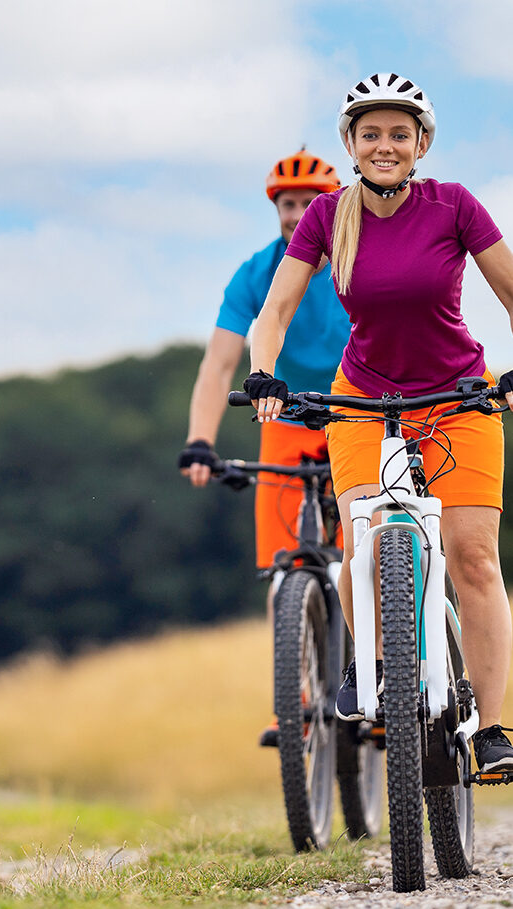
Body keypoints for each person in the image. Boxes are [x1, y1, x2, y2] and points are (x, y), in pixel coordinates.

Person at [244, 72, 513, 772]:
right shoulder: (326, 216)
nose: (384, 145)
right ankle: (370, 670)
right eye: (370, 134)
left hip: (459, 399)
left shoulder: (453, 206)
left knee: (473, 559)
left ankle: (490, 726)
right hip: (363, 397)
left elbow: (511, 290)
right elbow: (271, 313)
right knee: (361, 537)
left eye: (398, 133)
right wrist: (263, 373)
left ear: (420, 143)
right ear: (351, 144)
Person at [178, 149, 348, 747]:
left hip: (359, 412)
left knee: (372, 553)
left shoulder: (357, 260)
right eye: (288, 205)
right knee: (283, 568)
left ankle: (384, 681)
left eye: (310, 203)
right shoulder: (256, 273)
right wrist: (201, 441)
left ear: (333, 205)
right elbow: (219, 365)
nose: (299, 213)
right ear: (276, 211)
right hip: (285, 418)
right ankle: (294, 702)